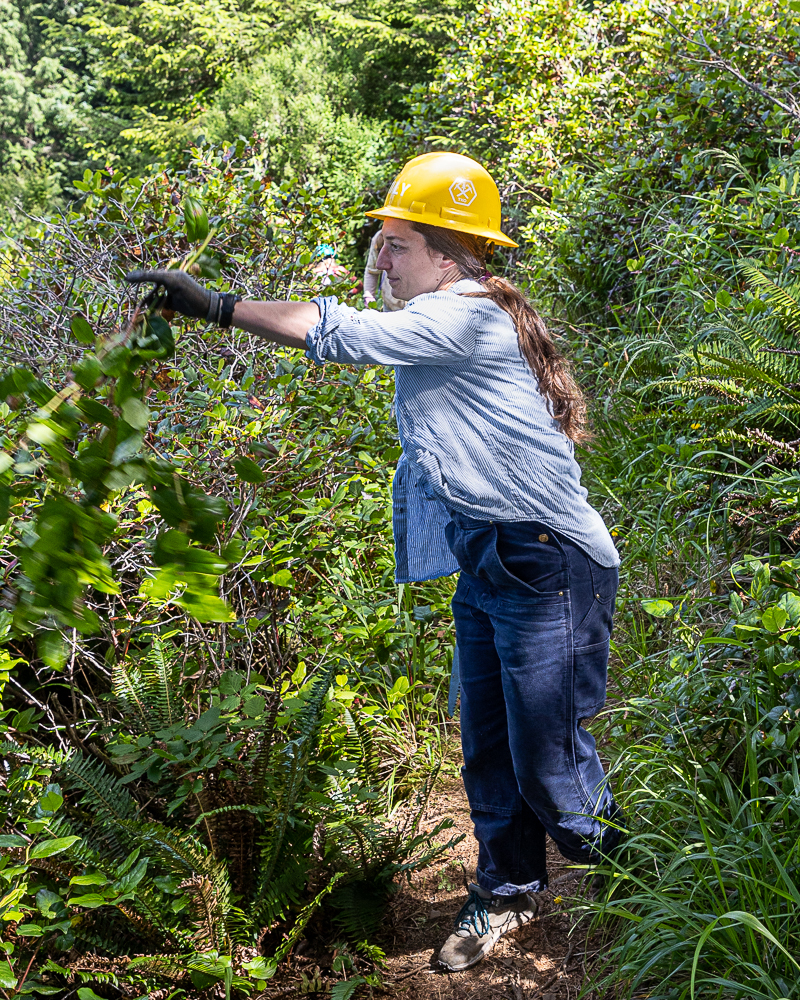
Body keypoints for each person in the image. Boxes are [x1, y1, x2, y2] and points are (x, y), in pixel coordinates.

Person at [126, 151, 623, 973]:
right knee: (488, 744)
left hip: (548, 563)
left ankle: (646, 881)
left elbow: (343, 333)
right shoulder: (453, 312)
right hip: (491, 557)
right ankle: (505, 890)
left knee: (551, 766)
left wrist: (213, 304)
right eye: (380, 243)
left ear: (448, 252)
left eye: (395, 244)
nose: (379, 260)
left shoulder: (463, 317)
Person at [363, 230, 407, 311]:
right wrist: (369, 295)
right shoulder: (380, 237)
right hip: (390, 307)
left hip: (419, 309)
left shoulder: (423, 237)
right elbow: (372, 271)